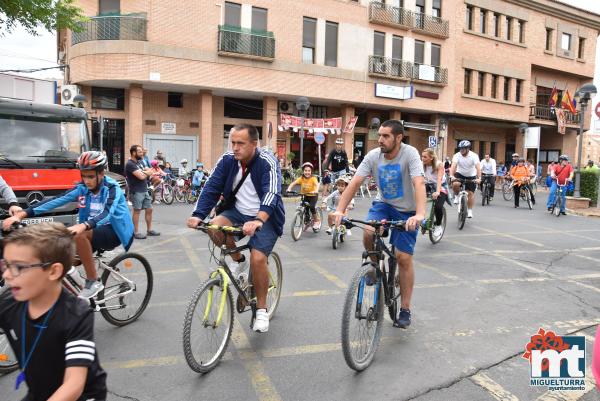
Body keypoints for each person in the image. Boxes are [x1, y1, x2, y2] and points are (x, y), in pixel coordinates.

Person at [187, 123, 284, 333]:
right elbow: (211, 187)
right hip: (237, 212)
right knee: (213, 227)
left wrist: (259, 219)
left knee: (258, 259)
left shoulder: (267, 161)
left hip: (264, 216)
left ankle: (261, 310)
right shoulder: (227, 160)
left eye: (240, 143)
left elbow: (272, 192)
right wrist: (197, 215)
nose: (235, 148)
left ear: (254, 144)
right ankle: (238, 261)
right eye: (233, 143)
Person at [3, 151, 135, 299]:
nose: (87, 181)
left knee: (80, 235)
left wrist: (83, 225)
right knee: (59, 259)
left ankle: (93, 281)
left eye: (91, 176)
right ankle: (77, 291)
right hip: (91, 231)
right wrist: (22, 214)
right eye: (83, 176)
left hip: (113, 231)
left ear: (102, 173)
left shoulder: (112, 189)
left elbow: (107, 213)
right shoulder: (83, 189)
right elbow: (56, 200)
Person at [333, 119, 425, 329]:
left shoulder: (410, 154)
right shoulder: (373, 156)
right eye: (379, 135)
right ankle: (374, 268)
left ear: (398, 138)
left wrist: (419, 214)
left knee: (403, 258)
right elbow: (355, 182)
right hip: (384, 204)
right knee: (368, 231)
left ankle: (405, 309)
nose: (380, 140)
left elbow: (418, 182)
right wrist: (340, 210)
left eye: (385, 136)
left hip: (408, 211)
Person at [0, 223, 107, 400]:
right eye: (6, 265)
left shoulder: (77, 315)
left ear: (53, 271)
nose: (6, 275)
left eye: (18, 267)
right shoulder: (9, 302)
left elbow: (74, 383)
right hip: (39, 391)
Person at [126, 145, 160, 239]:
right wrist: (146, 173)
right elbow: (140, 176)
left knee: (149, 209)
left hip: (144, 189)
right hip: (136, 191)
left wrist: (145, 172)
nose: (142, 153)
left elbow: (150, 171)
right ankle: (135, 232)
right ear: (133, 153)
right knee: (137, 211)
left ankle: (149, 230)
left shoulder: (140, 162)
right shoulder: (130, 164)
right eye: (140, 152)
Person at [449, 140, 481, 219]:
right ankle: (456, 196)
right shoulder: (457, 155)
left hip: (471, 176)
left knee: (470, 194)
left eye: (463, 148)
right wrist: (451, 175)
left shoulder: (474, 156)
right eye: (460, 148)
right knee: (455, 184)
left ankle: (469, 210)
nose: (461, 150)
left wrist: (479, 178)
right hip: (460, 174)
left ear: (468, 149)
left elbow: (478, 167)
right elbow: (453, 166)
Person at [286, 162, 321, 230]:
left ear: (311, 171)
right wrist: (289, 188)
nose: (307, 172)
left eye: (309, 171)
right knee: (305, 208)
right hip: (305, 195)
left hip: (313, 195)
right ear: (303, 171)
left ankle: (317, 221)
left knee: (311, 207)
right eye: (305, 170)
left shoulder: (313, 178)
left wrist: (316, 190)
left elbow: (316, 185)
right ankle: (307, 222)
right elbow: (293, 183)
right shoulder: (301, 178)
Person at [422, 148, 447, 237]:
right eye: (422, 156)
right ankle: (422, 218)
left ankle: (438, 225)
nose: (423, 158)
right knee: (417, 197)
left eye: (425, 157)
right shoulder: (422, 164)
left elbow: (439, 179)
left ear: (431, 158)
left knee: (438, 206)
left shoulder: (438, 164)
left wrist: (437, 192)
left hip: (440, 186)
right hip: (429, 184)